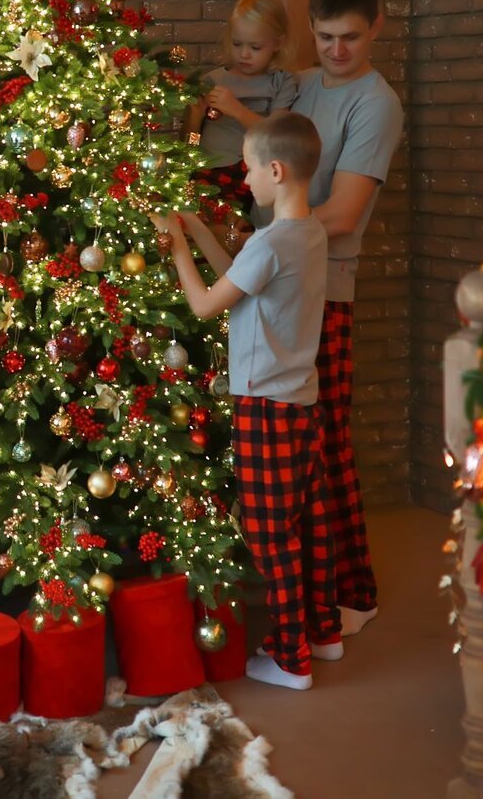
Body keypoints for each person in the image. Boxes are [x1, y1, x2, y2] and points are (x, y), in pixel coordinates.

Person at [153, 112, 338, 690]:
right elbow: (242, 273)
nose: (245, 177)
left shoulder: (272, 243)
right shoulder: (305, 234)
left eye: (251, 168)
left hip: (264, 408)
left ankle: (290, 657)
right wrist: (200, 227)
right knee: (305, 522)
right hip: (301, 402)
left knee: (267, 533)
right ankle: (322, 632)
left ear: (276, 170)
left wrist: (177, 244)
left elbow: (208, 304)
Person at [281, 0, 404, 636]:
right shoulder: (299, 84)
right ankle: (303, 587)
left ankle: (351, 591)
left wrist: (264, 247)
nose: (336, 51)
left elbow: (347, 213)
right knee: (290, 447)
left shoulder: (375, 104)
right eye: (325, 37)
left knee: (324, 442)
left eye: (350, 38)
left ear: (377, 26)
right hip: (275, 283)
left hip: (325, 289)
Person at [193, 0, 298, 225]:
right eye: (237, 43)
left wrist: (237, 109)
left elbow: (276, 135)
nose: (244, 54)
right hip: (211, 173)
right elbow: (189, 144)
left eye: (255, 47)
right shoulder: (213, 81)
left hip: (254, 176)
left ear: (278, 43)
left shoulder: (282, 82)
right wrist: (193, 119)